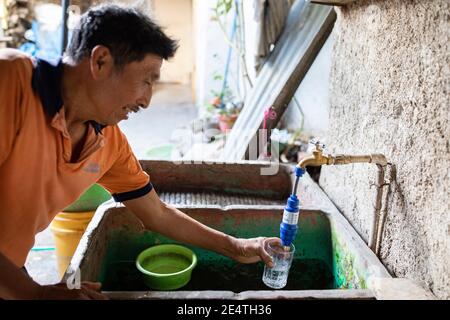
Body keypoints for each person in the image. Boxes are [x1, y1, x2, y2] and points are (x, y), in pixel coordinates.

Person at [0, 4, 278, 300]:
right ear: (101, 61)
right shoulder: (11, 82)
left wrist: (235, 247)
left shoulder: (108, 142)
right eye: (147, 80)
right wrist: (35, 294)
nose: (146, 101)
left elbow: (157, 213)